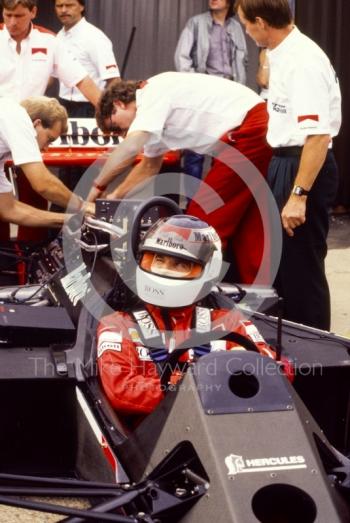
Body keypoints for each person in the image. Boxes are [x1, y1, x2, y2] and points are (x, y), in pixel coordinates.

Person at [87, 73, 272, 284]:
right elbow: (149, 166)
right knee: (247, 225)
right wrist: (114, 197)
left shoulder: (150, 94)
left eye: (115, 128)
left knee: (201, 220)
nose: (120, 135)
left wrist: (95, 190)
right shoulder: (152, 108)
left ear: (119, 104)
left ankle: (190, 292)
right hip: (248, 126)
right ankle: (259, 293)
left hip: (249, 126)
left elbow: (130, 147)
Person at [97, 215, 275, 419]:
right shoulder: (117, 325)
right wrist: (207, 384)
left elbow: (275, 373)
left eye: (180, 265)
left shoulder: (230, 322)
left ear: (207, 270)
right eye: (159, 260)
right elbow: (121, 390)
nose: (164, 270)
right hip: (155, 439)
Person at [235, 0, 342, 330]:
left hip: (303, 166)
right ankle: (290, 350)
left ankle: (319, 361)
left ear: (262, 23)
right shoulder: (282, 52)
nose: (247, 31)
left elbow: (318, 136)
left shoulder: (302, 61)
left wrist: (298, 195)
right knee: (282, 268)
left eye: (247, 25)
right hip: (284, 160)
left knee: (303, 269)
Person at [174, 0, 248, 190]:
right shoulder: (196, 23)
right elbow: (182, 58)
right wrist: (196, 86)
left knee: (223, 150)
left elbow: (242, 61)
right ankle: (192, 206)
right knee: (195, 151)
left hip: (229, 95)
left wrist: (239, 91)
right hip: (204, 93)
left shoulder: (236, 27)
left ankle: (216, 202)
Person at [0, 95, 93, 231]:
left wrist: (75, 219)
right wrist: (82, 206)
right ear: (36, 124)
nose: (46, 148)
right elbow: (43, 184)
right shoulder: (15, 115)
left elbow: (9, 210)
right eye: (49, 139)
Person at [0, 0, 101, 106]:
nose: (12, 22)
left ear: (33, 12)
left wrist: (108, 114)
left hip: (32, 117)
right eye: (8, 15)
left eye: (19, 16)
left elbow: (81, 79)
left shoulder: (49, 41)